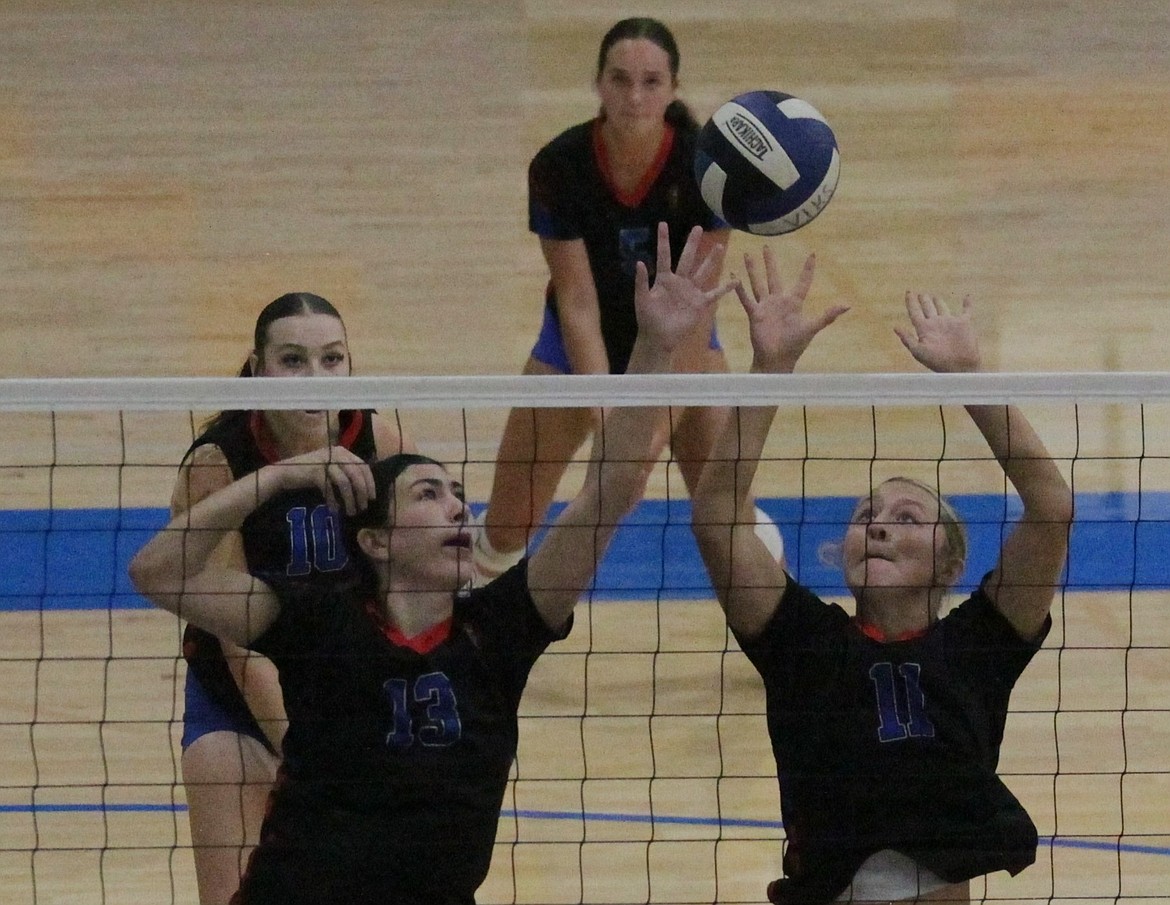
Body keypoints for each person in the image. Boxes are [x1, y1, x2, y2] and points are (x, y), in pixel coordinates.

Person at [130, 224, 735, 904]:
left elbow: (614, 487)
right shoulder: (316, 621)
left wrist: (654, 349)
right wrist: (275, 479)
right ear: (378, 538)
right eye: (428, 494)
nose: (456, 508)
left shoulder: (496, 628)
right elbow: (166, 579)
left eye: (457, 494)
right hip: (276, 710)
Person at [689, 247, 1074, 904]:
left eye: (906, 516)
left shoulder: (977, 646)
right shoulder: (808, 644)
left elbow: (1051, 507)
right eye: (868, 514)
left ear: (949, 562)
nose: (879, 523)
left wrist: (969, 380)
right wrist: (770, 371)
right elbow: (717, 515)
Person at [474, 16, 784, 575]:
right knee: (503, 530)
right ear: (597, 84)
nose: (634, 96)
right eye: (619, 79)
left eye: (651, 81)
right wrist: (609, 426)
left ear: (673, 88)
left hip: (684, 350)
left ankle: (779, 635)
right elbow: (577, 303)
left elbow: (699, 310)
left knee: (731, 521)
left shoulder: (709, 169)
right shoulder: (558, 166)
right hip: (575, 353)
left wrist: (641, 444)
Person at [172, 292, 415, 905]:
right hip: (238, 706)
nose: (315, 379)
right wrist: (307, 757)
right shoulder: (219, 462)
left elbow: (407, 592)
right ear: (258, 370)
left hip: (349, 696)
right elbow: (237, 641)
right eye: (293, 360)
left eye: (332, 359)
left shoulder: (377, 439)